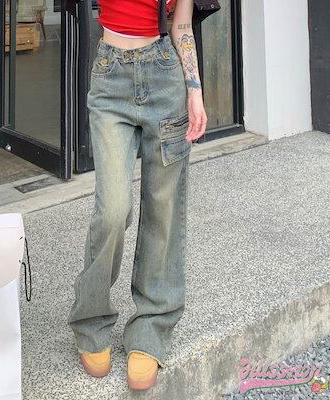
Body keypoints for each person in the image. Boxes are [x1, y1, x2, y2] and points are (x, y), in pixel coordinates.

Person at [67, 0, 207, 391]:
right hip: (110, 77)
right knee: (113, 210)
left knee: (163, 209)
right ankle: (91, 319)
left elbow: (182, 25)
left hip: (165, 76)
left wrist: (194, 90)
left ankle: (152, 326)